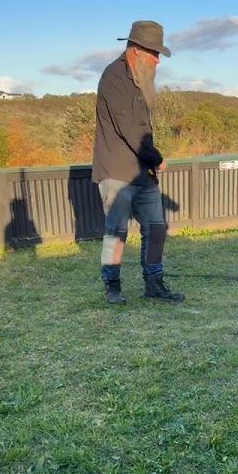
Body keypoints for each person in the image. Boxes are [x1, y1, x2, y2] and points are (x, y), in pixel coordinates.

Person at [91, 20, 184, 305]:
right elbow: (130, 129)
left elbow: (142, 128)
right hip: (117, 172)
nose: (157, 59)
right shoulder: (114, 78)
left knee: (156, 227)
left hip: (143, 174)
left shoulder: (141, 80)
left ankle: (153, 284)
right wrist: (158, 159)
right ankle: (112, 285)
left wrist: (150, 164)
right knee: (116, 233)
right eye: (154, 53)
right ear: (136, 49)